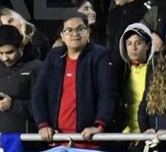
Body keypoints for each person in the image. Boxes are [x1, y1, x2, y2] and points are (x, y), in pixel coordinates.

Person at [32, 13, 117, 144]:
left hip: (88, 141)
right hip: (57, 140)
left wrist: (100, 126)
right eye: (69, 30)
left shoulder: (101, 55)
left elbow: (108, 93)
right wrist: (43, 124)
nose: (75, 34)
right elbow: (39, 93)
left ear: (88, 31)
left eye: (80, 29)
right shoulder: (54, 57)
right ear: (62, 36)